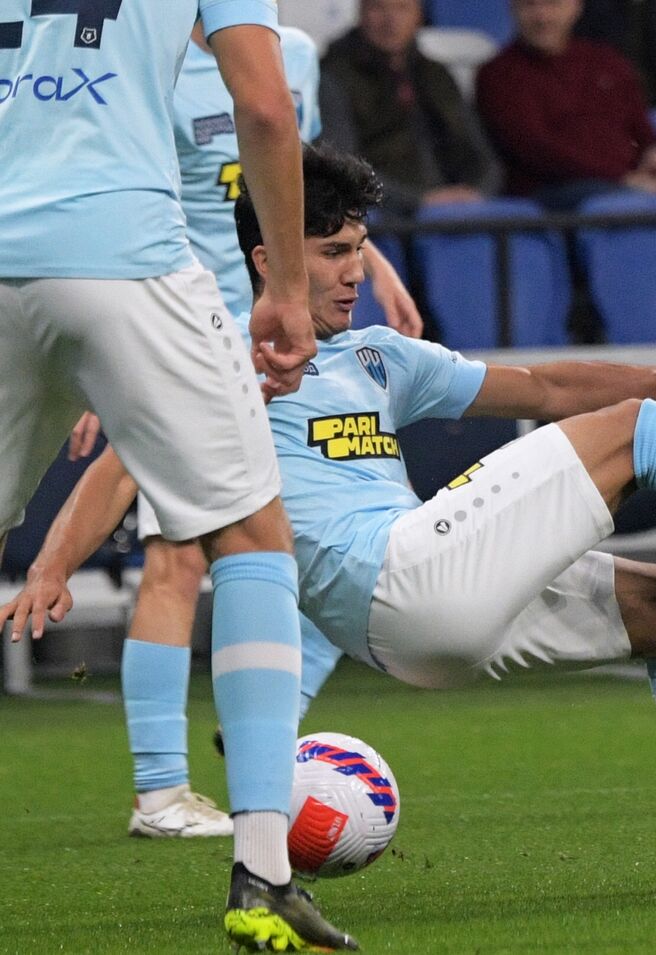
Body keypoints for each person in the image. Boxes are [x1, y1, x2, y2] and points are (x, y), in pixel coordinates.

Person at [7, 143, 656, 887]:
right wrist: (51, 564)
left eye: (359, 250)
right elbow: (121, 463)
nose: (354, 272)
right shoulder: (221, 357)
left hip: (427, 614)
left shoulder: (375, 359)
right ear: (267, 258)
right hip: (398, 582)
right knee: (632, 435)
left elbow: (539, 383)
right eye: (333, 252)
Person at [0, 2, 354, 950]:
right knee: (249, 535)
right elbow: (268, 110)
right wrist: (284, 284)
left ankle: (164, 788)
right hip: (128, 258)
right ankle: (264, 872)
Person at [46, 20, 424, 843]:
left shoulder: (291, 53)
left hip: (281, 332)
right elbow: (116, 193)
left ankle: (262, 732)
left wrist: (372, 267)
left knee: (311, 530)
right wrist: (103, 347)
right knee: (177, 554)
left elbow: (310, 176)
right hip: (180, 326)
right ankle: (159, 791)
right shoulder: (143, 46)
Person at [475, 0, 656, 208]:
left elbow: (638, 122)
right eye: (530, 5)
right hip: (552, 194)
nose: (542, 17)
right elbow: (537, 151)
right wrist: (620, 179)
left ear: (576, 7)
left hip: (624, 186)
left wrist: (655, 150)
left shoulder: (607, 62)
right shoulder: (498, 75)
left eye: (553, 5)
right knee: (622, 206)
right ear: (512, 9)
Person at [320, 0, 501, 215]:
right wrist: (419, 201)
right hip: (382, 212)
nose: (391, 20)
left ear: (419, 16)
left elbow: (480, 153)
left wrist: (476, 192)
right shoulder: (333, 76)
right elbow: (343, 165)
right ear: (361, 13)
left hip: (454, 207)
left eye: (402, 8)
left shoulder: (436, 75)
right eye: (379, 8)